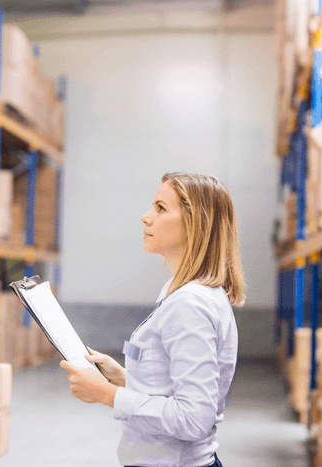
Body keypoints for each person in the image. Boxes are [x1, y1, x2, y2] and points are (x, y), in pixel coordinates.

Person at [60, 172, 245, 467]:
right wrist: (124, 378)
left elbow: (193, 418)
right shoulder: (182, 292)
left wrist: (106, 393)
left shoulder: (190, 304)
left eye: (161, 208)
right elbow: (171, 383)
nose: (146, 217)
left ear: (194, 222)